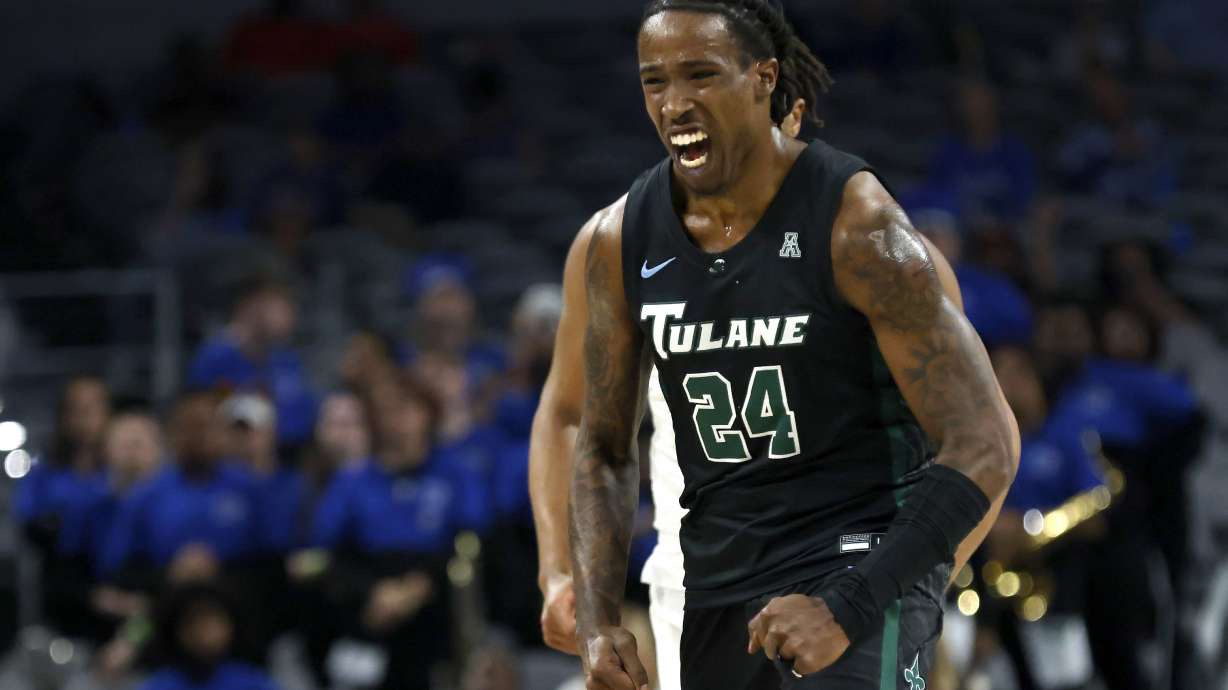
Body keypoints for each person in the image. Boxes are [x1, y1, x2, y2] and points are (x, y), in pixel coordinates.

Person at [567, 3, 1020, 690]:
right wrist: (599, 621)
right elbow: (602, 449)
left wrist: (856, 601)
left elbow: (986, 442)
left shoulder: (858, 225)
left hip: (858, 567)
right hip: (719, 585)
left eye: (700, 75)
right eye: (654, 81)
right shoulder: (618, 240)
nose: (675, 103)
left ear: (763, 77)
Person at [188, 274, 318, 446]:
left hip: (284, 455)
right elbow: (197, 419)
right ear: (254, 306)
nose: (290, 316)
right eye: (280, 308)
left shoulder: (286, 359)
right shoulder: (214, 358)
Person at [138, 583, 279, 690]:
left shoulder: (253, 682)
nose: (203, 632)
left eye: (212, 619)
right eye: (193, 621)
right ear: (177, 631)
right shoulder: (158, 685)